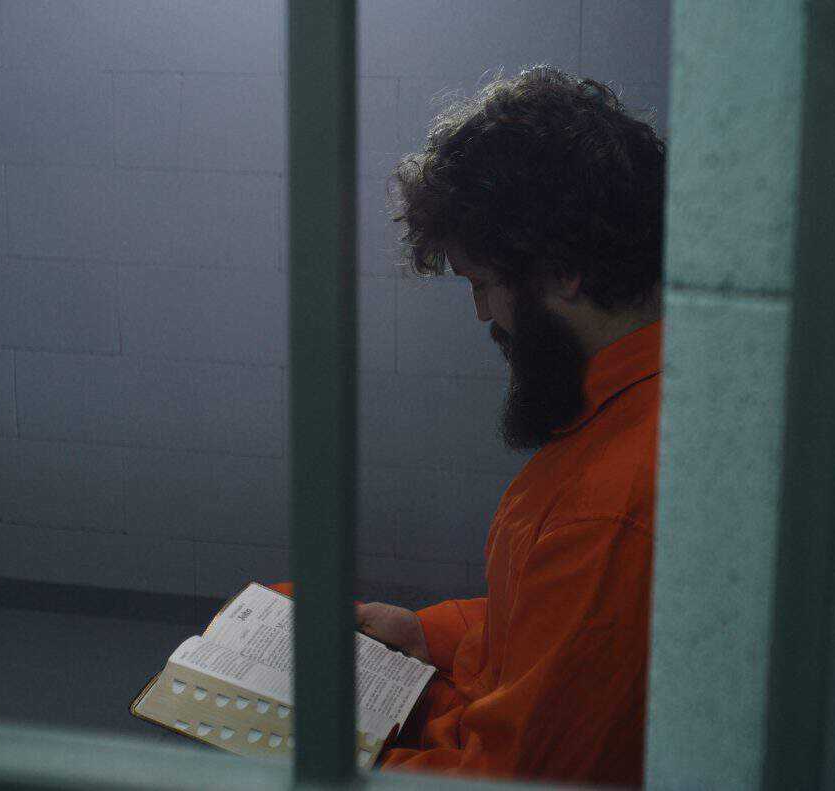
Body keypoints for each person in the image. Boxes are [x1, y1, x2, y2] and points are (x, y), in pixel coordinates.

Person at [282, 65, 666, 787]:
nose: (484, 314)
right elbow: (557, 624)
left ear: (562, 272)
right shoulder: (633, 409)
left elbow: (506, 776)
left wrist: (323, 758)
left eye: (484, 283)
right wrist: (430, 632)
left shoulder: (610, 502)